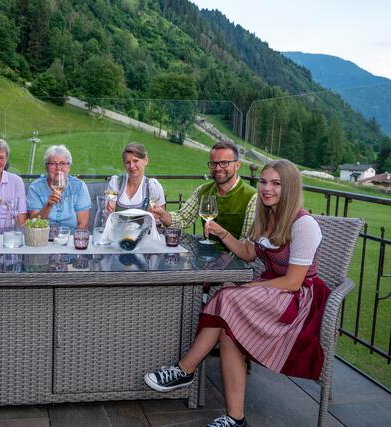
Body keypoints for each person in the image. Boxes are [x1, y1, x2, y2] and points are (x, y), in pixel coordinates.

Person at [143, 160, 329, 427]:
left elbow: (293, 281)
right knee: (229, 328)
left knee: (227, 298)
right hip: (273, 291)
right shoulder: (267, 217)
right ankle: (235, 418)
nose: (267, 189)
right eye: (264, 182)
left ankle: (185, 370)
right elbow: (247, 253)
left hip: (298, 301)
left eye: (276, 183)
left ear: (289, 187)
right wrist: (221, 231)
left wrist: (248, 288)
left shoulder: (303, 224)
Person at [151, 141, 256, 243]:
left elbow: (246, 244)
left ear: (237, 165)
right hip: (207, 255)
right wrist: (162, 214)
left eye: (224, 163)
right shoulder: (203, 191)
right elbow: (183, 219)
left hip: (237, 259)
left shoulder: (251, 197)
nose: (218, 168)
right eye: (213, 164)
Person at [27, 145, 91, 228]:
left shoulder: (79, 187)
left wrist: (71, 240)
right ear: (46, 167)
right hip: (43, 238)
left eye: (63, 163)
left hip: (71, 237)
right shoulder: (35, 188)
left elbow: (83, 224)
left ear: (69, 167)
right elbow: (34, 222)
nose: (58, 168)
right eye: (52, 164)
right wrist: (48, 205)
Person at [106, 142, 165, 213]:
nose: (131, 166)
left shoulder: (153, 187)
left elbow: (157, 217)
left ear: (146, 160)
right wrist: (109, 206)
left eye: (135, 161)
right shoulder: (115, 183)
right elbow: (109, 211)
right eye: (128, 162)